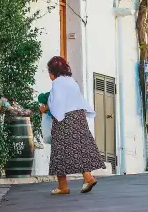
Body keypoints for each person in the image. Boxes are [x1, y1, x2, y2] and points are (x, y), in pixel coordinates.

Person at [40, 56, 103, 195]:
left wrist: (45, 108)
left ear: (52, 72)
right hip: (79, 117)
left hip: (65, 119)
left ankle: (63, 186)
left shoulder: (57, 83)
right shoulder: (71, 81)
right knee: (78, 147)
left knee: (60, 150)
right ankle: (88, 177)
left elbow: (57, 103)